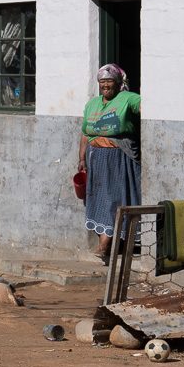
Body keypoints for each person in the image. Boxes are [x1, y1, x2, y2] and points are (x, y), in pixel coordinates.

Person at [77, 64, 141, 263]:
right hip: (95, 160)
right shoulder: (92, 104)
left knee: (114, 199)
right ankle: (106, 243)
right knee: (98, 199)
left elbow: (145, 107)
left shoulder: (128, 98)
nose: (105, 85)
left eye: (109, 81)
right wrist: (82, 158)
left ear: (118, 83)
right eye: (102, 82)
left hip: (118, 160)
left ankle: (105, 245)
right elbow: (85, 133)